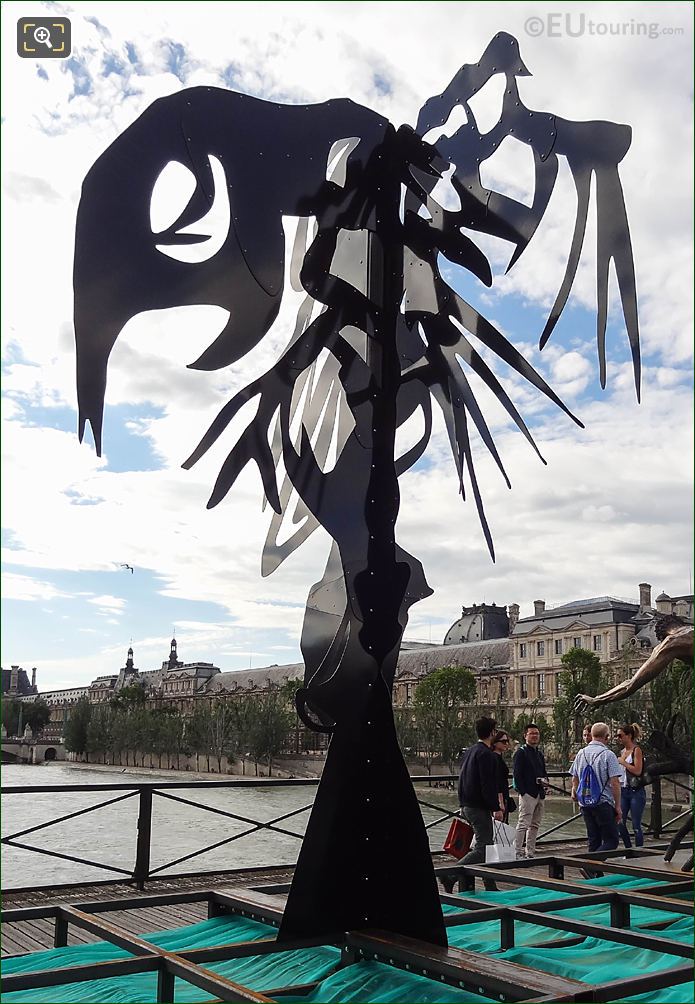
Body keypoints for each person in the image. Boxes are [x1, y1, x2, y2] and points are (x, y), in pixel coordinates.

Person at [441, 717, 503, 893]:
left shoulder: (469, 751)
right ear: (492, 732)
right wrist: (495, 807)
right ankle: (450, 875)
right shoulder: (486, 755)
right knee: (483, 847)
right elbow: (487, 784)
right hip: (478, 806)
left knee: (486, 846)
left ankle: (490, 885)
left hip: (467, 804)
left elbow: (463, 780)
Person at [570, 722, 622, 865]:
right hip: (603, 803)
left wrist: (575, 793)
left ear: (591, 735)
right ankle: (589, 866)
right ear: (607, 737)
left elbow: (574, 778)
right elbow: (615, 782)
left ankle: (594, 873)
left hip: (585, 803)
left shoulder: (581, 753)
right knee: (611, 841)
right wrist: (618, 806)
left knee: (594, 841)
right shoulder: (608, 755)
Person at [513, 723, 549, 859]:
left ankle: (530, 852)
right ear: (525, 735)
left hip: (540, 792)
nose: (534, 736)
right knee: (523, 823)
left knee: (535, 824)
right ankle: (516, 851)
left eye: (537, 733)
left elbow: (543, 772)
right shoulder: (520, 753)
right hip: (528, 793)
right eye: (532, 733)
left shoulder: (539, 754)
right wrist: (523, 792)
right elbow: (517, 774)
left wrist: (545, 782)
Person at [617, 723, 646, 848]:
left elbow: (638, 770)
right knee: (619, 822)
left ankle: (639, 851)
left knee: (636, 825)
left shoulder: (636, 750)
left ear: (628, 736)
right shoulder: (622, 751)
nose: (618, 738)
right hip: (623, 790)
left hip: (636, 791)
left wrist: (623, 763)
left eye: (620, 735)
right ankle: (628, 848)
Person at [491, 730, 514, 821]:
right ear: (495, 743)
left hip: (503, 796)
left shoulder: (498, 758)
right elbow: (496, 781)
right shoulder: (495, 758)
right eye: (503, 741)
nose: (506, 744)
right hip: (499, 798)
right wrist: (500, 802)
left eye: (507, 741)